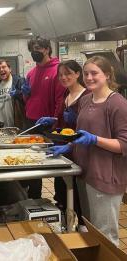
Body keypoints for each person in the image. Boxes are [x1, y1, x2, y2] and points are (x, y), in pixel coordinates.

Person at [48, 56, 127, 245]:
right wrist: (69, 146)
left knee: (106, 236)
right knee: (91, 229)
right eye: (86, 73)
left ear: (107, 74)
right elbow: (80, 136)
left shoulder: (117, 103)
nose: (89, 77)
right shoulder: (86, 101)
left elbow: (124, 144)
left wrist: (95, 140)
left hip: (105, 176)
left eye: (94, 73)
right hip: (84, 173)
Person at [36, 60, 89, 230]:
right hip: (62, 151)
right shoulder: (67, 94)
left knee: (78, 194)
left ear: (78, 74)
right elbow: (62, 122)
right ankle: (65, 224)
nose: (64, 77)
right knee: (61, 191)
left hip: (79, 153)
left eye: (68, 73)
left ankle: (82, 227)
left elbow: (88, 129)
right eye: (60, 75)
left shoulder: (86, 96)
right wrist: (53, 120)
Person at [20, 37, 66, 199]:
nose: (34, 52)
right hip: (31, 122)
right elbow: (29, 100)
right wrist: (25, 94)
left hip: (48, 125)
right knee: (32, 162)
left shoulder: (57, 70)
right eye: (32, 48)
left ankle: (60, 200)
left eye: (38, 48)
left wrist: (55, 120)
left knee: (53, 161)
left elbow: (60, 100)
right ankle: (34, 198)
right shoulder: (31, 73)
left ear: (47, 49)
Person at [0, 59, 25, 129]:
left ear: (10, 69)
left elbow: (27, 99)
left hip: (17, 126)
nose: (1, 70)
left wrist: (18, 93)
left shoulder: (19, 81)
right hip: (0, 127)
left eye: (4, 67)